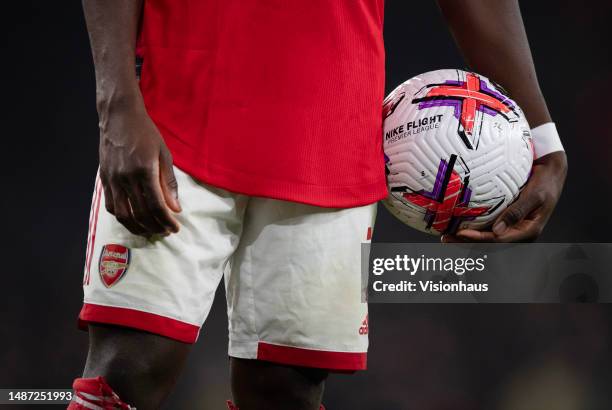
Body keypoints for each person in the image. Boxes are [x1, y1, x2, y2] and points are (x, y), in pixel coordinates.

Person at [70, 0, 567, 409]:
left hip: (333, 142)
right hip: (177, 122)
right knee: (128, 372)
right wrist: (116, 104)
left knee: (286, 392)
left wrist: (543, 141)